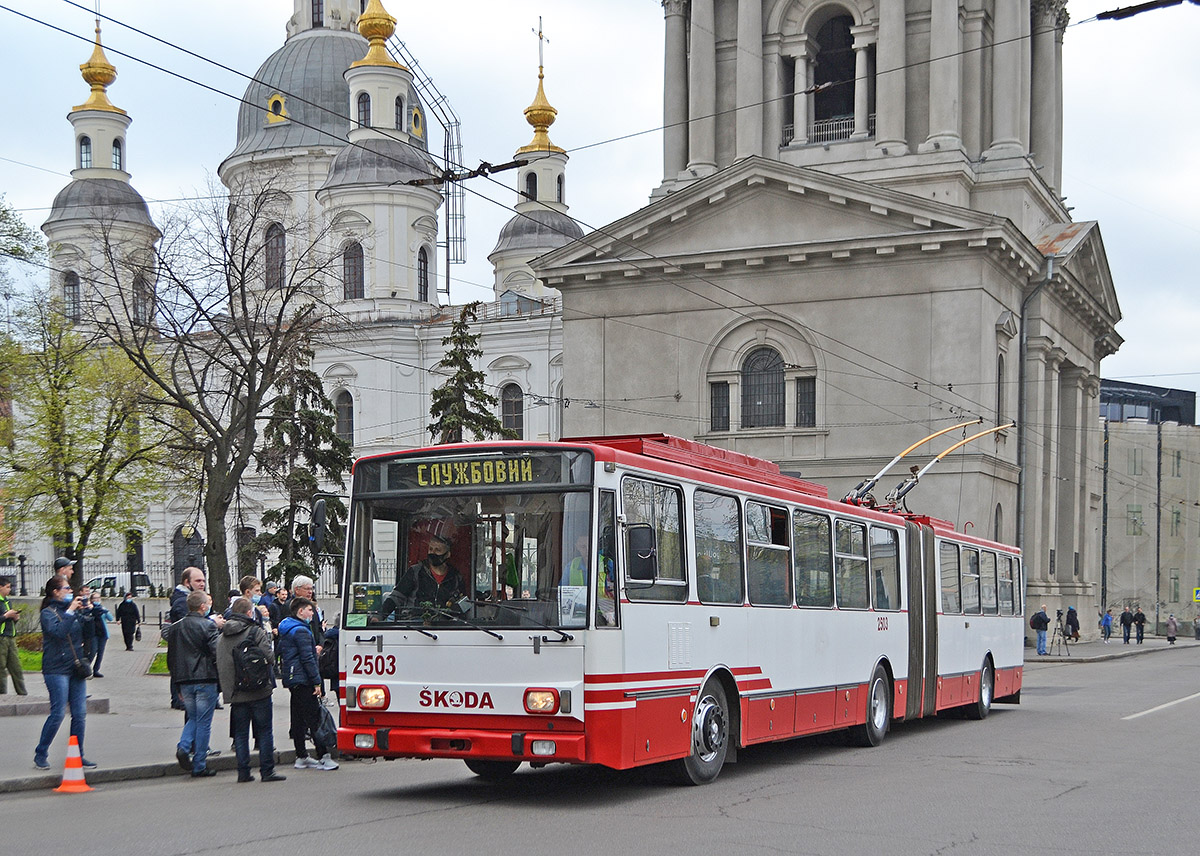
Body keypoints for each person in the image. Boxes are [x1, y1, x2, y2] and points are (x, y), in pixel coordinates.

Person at [215, 596, 285, 783]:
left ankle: (243, 772)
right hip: (259, 690)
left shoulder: (222, 636)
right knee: (264, 731)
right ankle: (267, 771)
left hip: (236, 693)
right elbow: (270, 657)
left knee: (240, 734)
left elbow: (221, 664)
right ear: (249, 613)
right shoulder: (255, 631)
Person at [33, 575, 94, 770]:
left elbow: (87, 633)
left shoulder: (72, 611)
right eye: (66, 589)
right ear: (55, 592)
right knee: (58, 713)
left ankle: (77, 754)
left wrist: (89, 612)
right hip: (56, 668)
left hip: (75, 668)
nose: (70, 592)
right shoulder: (48, 613)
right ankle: (41, 753)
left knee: (80, 714)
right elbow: (59, 633)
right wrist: (70, 612)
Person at [167, 590, 221, 777]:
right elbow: (216, 652)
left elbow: (171, 658)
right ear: (203, 606)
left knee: (193, 718)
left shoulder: (175, 627)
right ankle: (199, 764)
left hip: (184, 680)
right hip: (205, 678)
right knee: (204, 722)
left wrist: (177, 683)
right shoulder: (208, 625)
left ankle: (183, 747)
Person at [279, 596, 337, 771]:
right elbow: (308, 658)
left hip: (293, 678)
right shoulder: (302, 631)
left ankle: (302, 756)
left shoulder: (288, 628)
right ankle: (323, 756)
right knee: (314, 718)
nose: (312, 613)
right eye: (310, 610)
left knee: (298, 718)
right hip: (303, 678)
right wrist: (316, 682)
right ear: (300, 611)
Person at [377, 533, 465, 619]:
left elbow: (463, 604)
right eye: (430, 549)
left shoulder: (456, 577)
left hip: (445, 625)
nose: (433, 553)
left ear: (447, 554)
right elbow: (396, 597)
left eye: (438, 550)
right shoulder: (415, 571)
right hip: (415, 623)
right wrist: (379, 616)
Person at [167, 567, 207, 710]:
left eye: (203, 580)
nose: (202, 584)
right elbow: (188, 624)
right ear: (187, 582)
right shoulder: (182, 601)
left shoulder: (189, 598)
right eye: (198, 581)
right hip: (183, 647)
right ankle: (179, 700)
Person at [0, 575, 28, 695]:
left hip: (10, 636)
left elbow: (8, 620)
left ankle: (22, 693)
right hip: (1, 638)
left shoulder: (7, 601)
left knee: (16, 667)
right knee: (1, 668)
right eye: (7, 587)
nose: (9, 589)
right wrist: (6, 616)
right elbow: (3, 618)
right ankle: (2, 694)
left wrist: (15, 618)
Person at [88, 592, 113, 677]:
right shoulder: (90, 608)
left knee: (100, 653)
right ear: (91, 600)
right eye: (95, 598)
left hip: (102, 633)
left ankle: (96, 670)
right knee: (93, 651)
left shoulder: (102, 608)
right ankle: (86, 668)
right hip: (93, 633)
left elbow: (110, 618)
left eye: (98, 598)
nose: (97, 600)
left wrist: (106, 611)